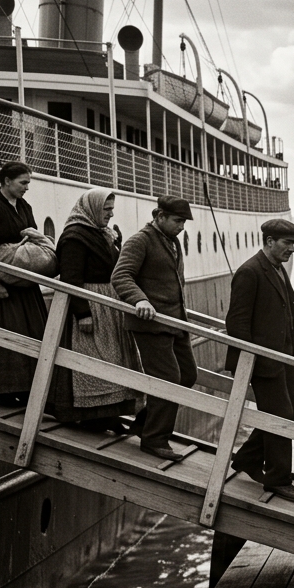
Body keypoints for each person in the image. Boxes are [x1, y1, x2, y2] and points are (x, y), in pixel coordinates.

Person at [227, 218, 294, 502]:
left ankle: (248, 458)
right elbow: (236, 323)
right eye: (287, 244)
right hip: (263, 362)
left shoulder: (276, 269)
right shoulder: (250, 272)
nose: (292, 250)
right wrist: (249, 364)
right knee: (280, 417)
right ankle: (278, 479)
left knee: (292, 410)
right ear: (270, 241)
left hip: (282, 359)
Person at [49, 188, 141, 430]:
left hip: (108, 306)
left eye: (111, 209)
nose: (110, 214)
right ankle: (90, 417)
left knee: (112, 360)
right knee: (92, 360)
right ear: (91, 208)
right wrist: (83, 313)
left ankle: (109, 414)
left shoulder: (102, 233)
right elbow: (70, 278)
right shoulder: (75, 237)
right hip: (90, 305)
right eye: (106, 209)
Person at [111, 197, 194, 461]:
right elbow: (121, 275)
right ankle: (154, 439)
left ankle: (145, 424)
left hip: (175, 321)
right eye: (177, 221)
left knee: (188, 375)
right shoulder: (140, 240)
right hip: (151, 323)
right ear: (159, 216)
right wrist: (140, 299)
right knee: (168, 379)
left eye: (183, 222)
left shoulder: (173, 241)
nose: (181, 226)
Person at [0, 161, 50, 405]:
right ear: (7, 181)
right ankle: (6, 391)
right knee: (10, 335)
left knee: (34, 334)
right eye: (23, 182)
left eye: (28, 182)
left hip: (25, 282)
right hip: (4, 285)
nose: (27, 187)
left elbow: (33, 234)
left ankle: (28, 388)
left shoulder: (24, 205)